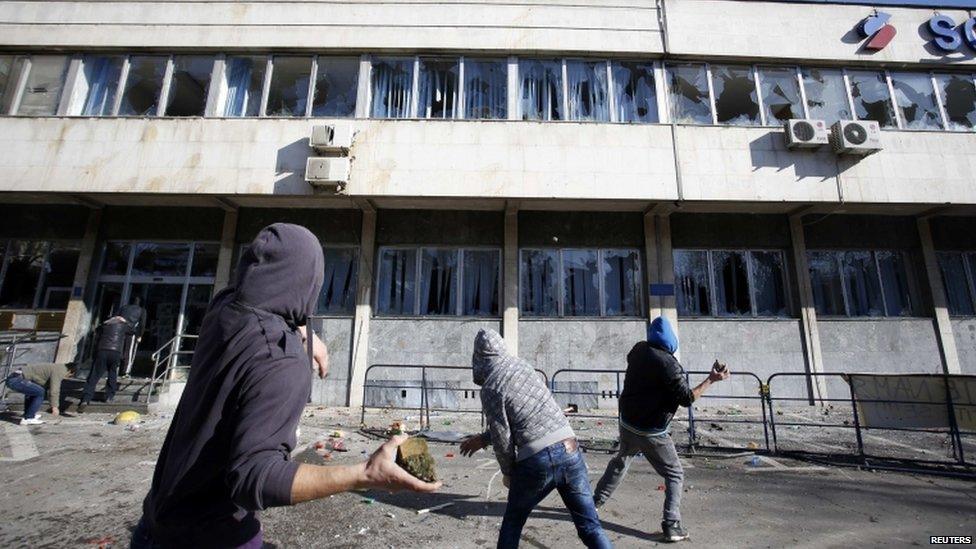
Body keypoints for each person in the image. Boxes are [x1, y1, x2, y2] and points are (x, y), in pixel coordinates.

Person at [131, 223, 440, 549]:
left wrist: (304, 330)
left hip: (153, 524)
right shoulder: (281, 359)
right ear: (313, 282)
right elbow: (254, 477)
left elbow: (258, 293)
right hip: (212, 536)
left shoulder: (222, 311)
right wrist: (364, 473)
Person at [464, 328, 612, 549]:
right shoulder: (523, 366)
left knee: (513, 524)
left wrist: (508, 472)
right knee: (590, 527)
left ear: (479, 358)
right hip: (570, 447)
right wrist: (484, 439)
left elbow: (503, 438)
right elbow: (529, 416)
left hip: (537, 459)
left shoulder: (491, 386)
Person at [591, 317, 730, 543]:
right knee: (674, 473)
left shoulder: (638, 349)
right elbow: (686, 398)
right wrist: (711, 379)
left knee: (621, 461)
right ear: (671, 339)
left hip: (628, 423)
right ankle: (671, 524)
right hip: (652, 431)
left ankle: (594, 503)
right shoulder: (668, 363)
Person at [79, 311, 135, 412]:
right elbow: (133, 330)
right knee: (112, 374)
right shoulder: (123, 326)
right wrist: (125, 322)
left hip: (102, 351)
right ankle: (109, 396)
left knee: (94, 376)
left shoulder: (105, 325)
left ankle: (85, 399)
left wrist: (107, 322)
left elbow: (97, 330)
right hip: (115, 352)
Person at [5, 362, 72, 425]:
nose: (67, 377)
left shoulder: (57, 367)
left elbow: (42, 383)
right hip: (16, 380)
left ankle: (28, 414)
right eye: (69, 376)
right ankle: (29, 418)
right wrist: (55, 407)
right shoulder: (60, 371)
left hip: (14, 378)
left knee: (34, 391)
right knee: (40, 392)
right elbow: (54, 390)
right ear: (70, 371)